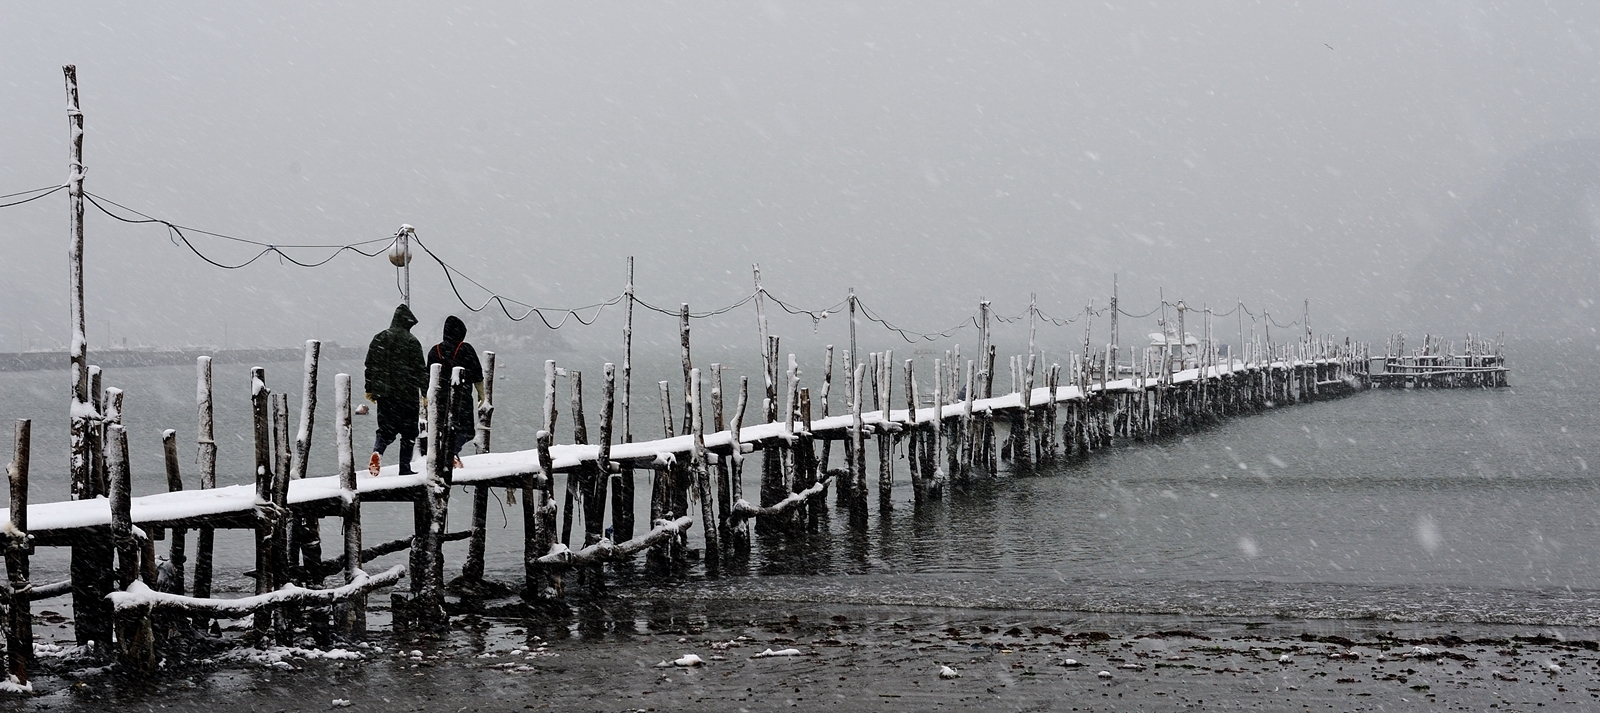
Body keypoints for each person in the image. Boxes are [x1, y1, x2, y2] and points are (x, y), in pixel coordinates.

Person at [364, 304, 427, 475]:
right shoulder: (412, 341)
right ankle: (404, 468)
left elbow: (369, 365)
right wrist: (425, 392)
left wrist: (370, 389)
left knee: (386, 431)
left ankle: (378, 451)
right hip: (407, 395)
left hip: (385, 395)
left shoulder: (379, 338)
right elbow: (420, 370)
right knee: (409, 433)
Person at [426, 315, 485, 469]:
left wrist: (425, 398)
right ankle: (451, 452)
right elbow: (477, 374)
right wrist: (481, 394)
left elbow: (428, 377)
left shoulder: (435, 350)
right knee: (466, 431)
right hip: (461, 397)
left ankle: (448, 455)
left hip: (439, 398)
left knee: (444, 428)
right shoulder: (465, 348)